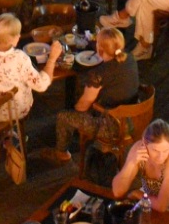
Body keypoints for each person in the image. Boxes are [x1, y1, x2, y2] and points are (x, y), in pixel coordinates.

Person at [49, 25, 140, 162]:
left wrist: (73, 113)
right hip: (135, 117)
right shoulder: (130, 57)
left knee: (63, 116)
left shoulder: (99, 74)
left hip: (112, 126)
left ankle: (61, 153)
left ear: (100, 50)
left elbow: (83, 106)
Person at [111, 119, 169, 212]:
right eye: (156, 151)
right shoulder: (139, 149)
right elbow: (117, 192)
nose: (161, 157)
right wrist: (131, 162)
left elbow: (161, 206)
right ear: (144, 143)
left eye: (165, 150)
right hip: (152, 200)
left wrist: (137, 194)